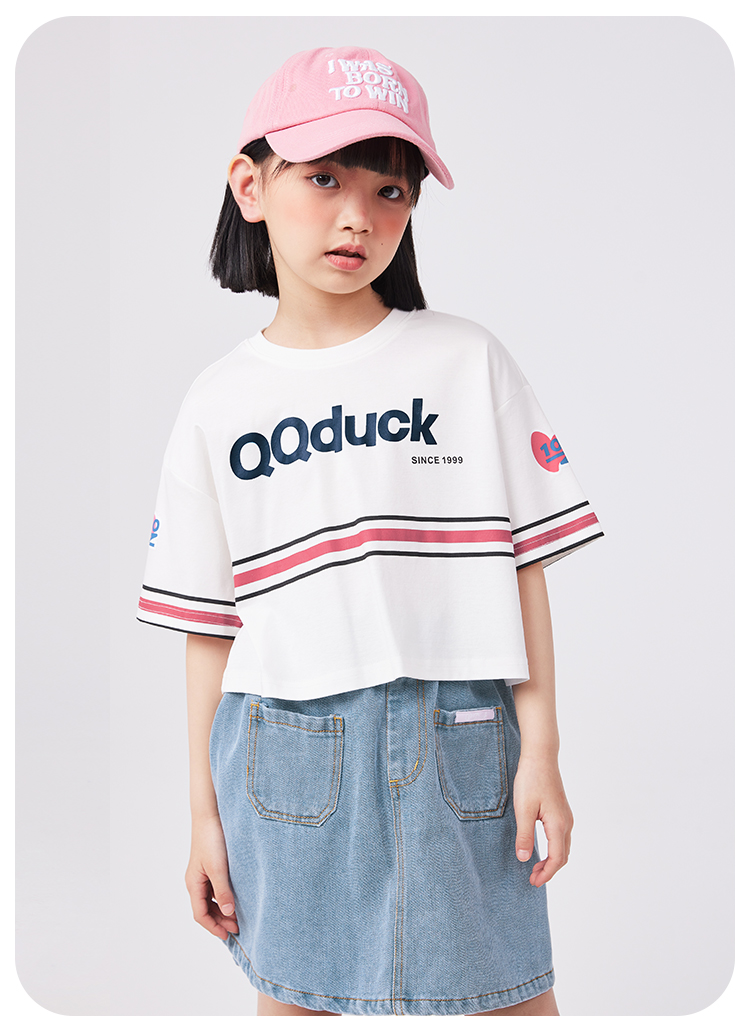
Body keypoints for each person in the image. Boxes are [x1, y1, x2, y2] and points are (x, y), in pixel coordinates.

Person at [137, 45, 603, 1017]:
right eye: (325, 178)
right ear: (250, 185)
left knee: (511, 997)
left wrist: (543, 753)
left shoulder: (468, 362)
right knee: (297, 1002)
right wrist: (201, 818)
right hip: (285, 751)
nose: (358, 215)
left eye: (391, 190)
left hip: (464, 741)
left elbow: (523, 569)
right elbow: (209, 631)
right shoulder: (217, 403)